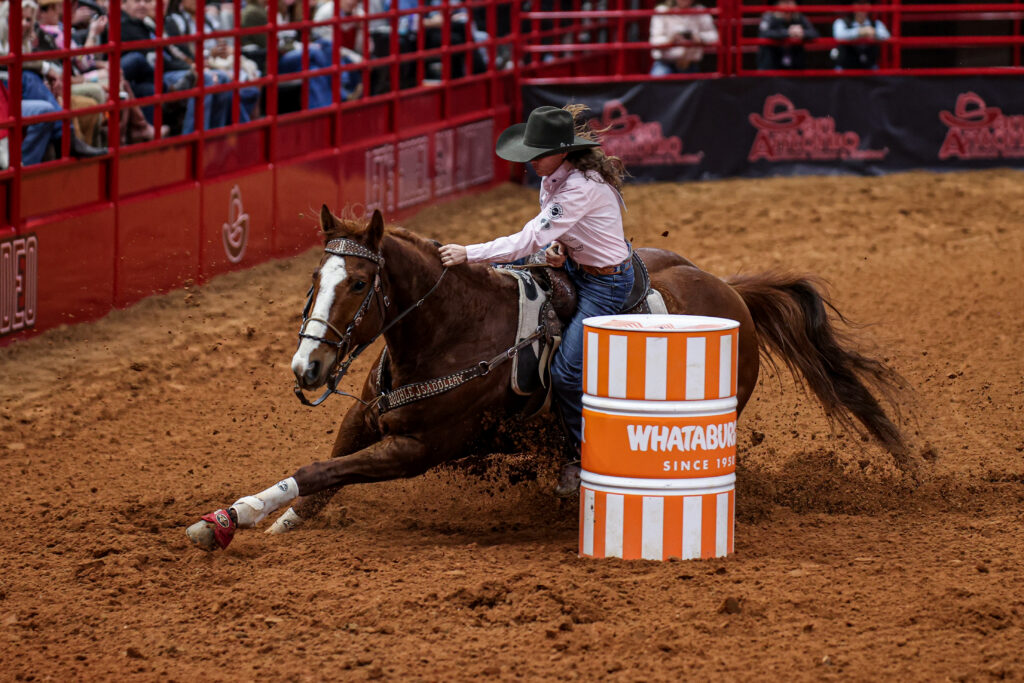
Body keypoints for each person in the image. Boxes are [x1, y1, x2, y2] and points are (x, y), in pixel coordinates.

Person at [439, 104, 634, 497]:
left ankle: (582, 458)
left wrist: (469, 252)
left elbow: (529, 239)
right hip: (578, 268)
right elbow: (550, 233)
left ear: (562, 152)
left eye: (538, 154)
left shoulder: (579, 187)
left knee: (566, 372)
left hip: (606, 286)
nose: (532, 162)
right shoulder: (555, 179)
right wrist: (560, 244)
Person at [649, 0, 718, 75]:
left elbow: (714, 37)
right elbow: (654, 41)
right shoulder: (662, 10)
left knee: (699, 84)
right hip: (665, 63)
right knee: (657, 82)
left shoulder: (700, 10)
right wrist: (671, 39)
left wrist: (697, 37)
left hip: (691, 64)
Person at [757, 0, 818, 70]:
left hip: (794, 67)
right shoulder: (770, 16)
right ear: (778, 4)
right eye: (785, 2)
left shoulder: (798, 16)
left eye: (791, 2)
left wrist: (802, 32)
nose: (788, 5)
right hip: (772, 65)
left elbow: (814, 33)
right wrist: (788, 32)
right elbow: (764, 33)